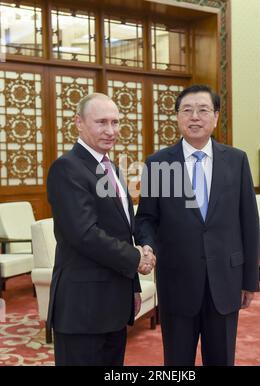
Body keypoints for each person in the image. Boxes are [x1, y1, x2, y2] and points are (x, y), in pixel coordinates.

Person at [135, 84, 260, 366]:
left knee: (222, 359)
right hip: (177, 281)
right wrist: (147, 246)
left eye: (203, 110)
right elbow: (146, 218)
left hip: (226, 281)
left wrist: (249, 279)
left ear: (215, 117)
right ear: (178, 118)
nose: (195, 117)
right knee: (177, 363)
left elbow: (249, 222)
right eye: (187, 110)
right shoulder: (158, 164)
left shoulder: (237, 160)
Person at [46, 93, 156, 366]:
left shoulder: (114, 170)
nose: (111, 131)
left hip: (114, 304)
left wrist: (133, 287)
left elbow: (123, 232)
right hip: (82, 309)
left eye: (115, 122)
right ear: (79, 123)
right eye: (101, 122)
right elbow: (85, 234)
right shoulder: (66, 169)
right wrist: (136, 259)